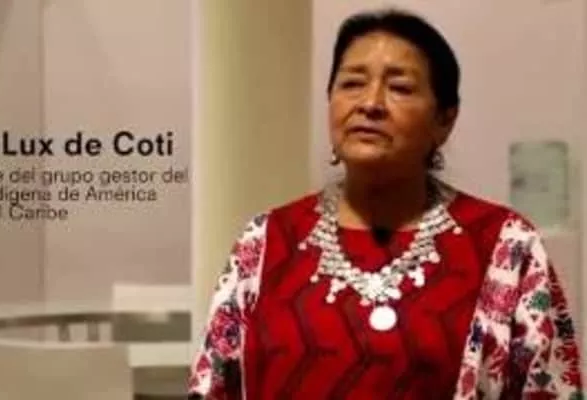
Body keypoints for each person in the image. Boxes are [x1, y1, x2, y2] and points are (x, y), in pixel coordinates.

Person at [187, 7, 583, 400]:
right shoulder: (265, 242)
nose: (370, 103)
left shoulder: (505, 245)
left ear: (445, 120)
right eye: (352, 84)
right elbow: (213, 388)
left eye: (400, 88)